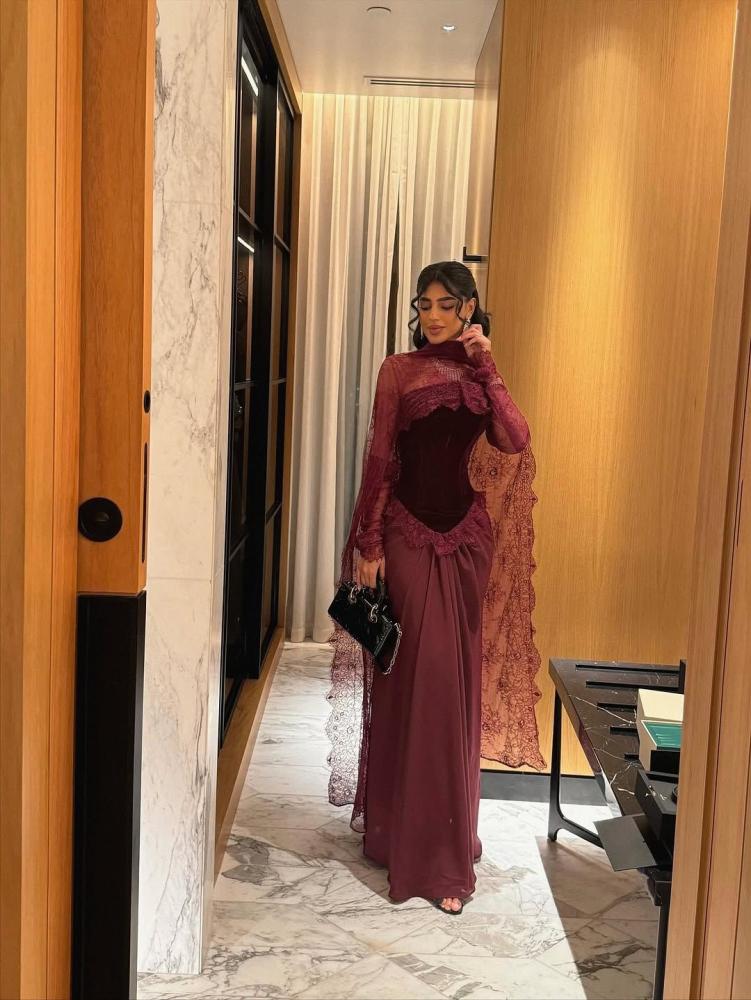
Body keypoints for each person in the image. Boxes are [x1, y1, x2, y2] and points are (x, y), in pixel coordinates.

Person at [326, 260, 545, 915]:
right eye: (424, 305)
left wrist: (487, 365)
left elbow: (514, 440)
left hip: (467, 541)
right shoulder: (399, 370)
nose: (433, 316)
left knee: (453, 686)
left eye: (446, 304)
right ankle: (408, 842)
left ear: (469, 307)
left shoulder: (480, 372)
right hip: (408, 537)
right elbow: (382, 459)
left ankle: (445, 842)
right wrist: (368, 543)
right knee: (414, 683)